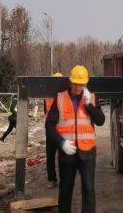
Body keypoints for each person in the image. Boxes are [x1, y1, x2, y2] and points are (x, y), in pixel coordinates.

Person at [46, 66, 105, 213]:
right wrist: (62, 142)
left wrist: (89, 105)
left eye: (82, 84)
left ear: (85, 83)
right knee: (65, 189)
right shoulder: (60, 98)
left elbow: (101, 121)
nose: (79, 87)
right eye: (76, 83)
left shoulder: (90, 97)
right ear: (71, 82)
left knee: (89, 190)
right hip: (67, 153)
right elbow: (49, 125)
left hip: (88, 153)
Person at [44, 72, 64, 186]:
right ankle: (52, 180)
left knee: (62, 157)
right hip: (51, 129)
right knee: (50, 156)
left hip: (61, 129)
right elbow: (46, 112)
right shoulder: (47, 96)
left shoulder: (64, 96)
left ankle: (61, 179)